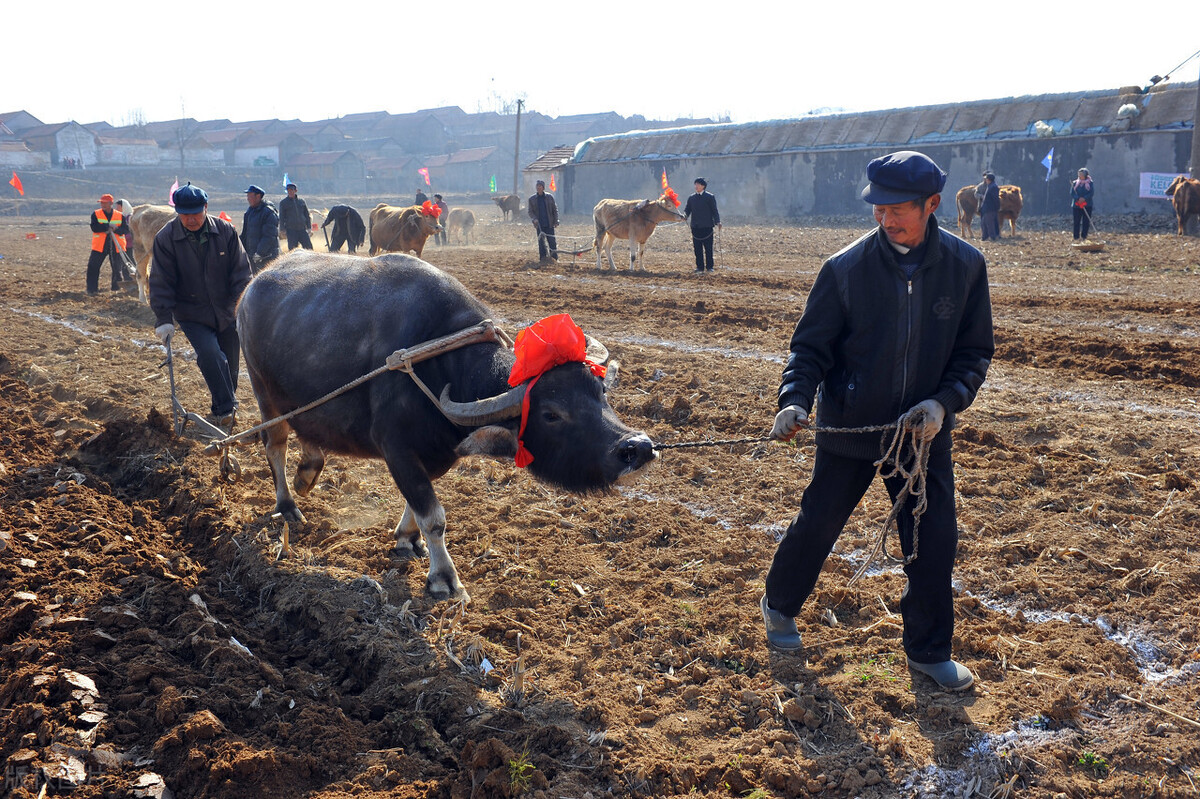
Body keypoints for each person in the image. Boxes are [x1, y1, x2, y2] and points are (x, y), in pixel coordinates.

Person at [763, 150, 994, 693]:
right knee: (819, 523)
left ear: (932, 204)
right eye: (878, 209)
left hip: (920, 435)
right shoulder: (845, 269)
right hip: (851, 428)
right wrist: (794, 399)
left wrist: (945, 402)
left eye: (898, 210)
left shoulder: (964, 268)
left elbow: (974, 351)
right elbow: (809, 349)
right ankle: (779, 605)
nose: (886, 220)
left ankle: (930, 651)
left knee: (933, 540)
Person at [149, 183, 252, 431]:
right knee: (210, 355)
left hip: (228, 310)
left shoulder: (225, 231)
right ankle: (227, 409)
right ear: (177, 212)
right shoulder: (166, 239)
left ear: (205, 208)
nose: (191, 219)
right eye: (184, 214)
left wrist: (244, 308)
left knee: (231, 366)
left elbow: (241, 274)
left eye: (195, 213)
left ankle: (221, 409)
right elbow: (161, 280)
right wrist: (164, 318)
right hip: (192, 312)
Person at [85, 193, 131, 295]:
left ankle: (116, 289)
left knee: (116, 269)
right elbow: (94, 227)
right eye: (101, 203)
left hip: (116, 245)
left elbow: (126, 230)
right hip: (100, 246)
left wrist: (116, 229)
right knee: (93, 267)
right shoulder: (96, 214)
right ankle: (91, 290)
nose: (103, 205)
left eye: (105, 203)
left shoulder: (119, 215)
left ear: (111, 203)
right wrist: (107, 226)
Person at [683, 178, 721, 272]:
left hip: (707, 227)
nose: (696, 186)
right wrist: (684, 216)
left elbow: (714, 210)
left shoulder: (710, 197)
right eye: (695, 184)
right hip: (695, 227)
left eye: (698, 184)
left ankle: (709, 267)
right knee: (697, 249)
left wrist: (718, 221)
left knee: (708, 248)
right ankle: (699, 267)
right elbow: (687, 210)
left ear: (703, 186)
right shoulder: (691, 198)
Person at [240, 184, 279, 271]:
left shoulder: (268, 212)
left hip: (267, 257)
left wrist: (260, 253)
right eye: (247, 196)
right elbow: (245, 234)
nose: (248, 198)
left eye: (250, 196)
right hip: (253, 256)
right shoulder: (250, 211)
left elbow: (269, 236)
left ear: (258, 196)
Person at [527, 179, 559, 262]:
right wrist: (534, 219)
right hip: (539, 224)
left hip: (549, 223)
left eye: (540, 186)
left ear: (543, 187)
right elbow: (530, 211)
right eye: (537, 186)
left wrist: (556, 221)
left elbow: (554, 210)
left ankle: (554, 258)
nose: (538, 188)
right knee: (541, 243)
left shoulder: (549, 197)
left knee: (552, 242)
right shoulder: (532, 199)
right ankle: (543, 259)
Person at [278, 182, 313, 251]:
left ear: (295, 191)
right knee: (293, 250)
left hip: (302, 229)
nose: (290, 192)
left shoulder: (301, 201)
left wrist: (309, 227)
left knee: (309, 248)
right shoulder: (283, 203)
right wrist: (282, 229)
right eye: (288, 190)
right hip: (291, 231)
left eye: (291, 190)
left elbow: (306, 215)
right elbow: (281, 217)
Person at [975, 172, 1000, 241]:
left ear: (989, 179)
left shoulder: (993, 187)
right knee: (984, 223)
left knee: (989, 223)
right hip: (986, 208)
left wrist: (996, 207)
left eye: (986, 179)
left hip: (990, 208)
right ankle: (985, 237)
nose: (985, 180)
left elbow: (995, 198)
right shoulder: (987, 186)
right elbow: (976, 194)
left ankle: (992, 237)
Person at [1071, 168, 1094, 240]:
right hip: (1077, 205)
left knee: (1086, 221)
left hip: (1087, 205)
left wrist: (1084, 198)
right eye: (1079, 174)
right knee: (1076, 221)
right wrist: (1078, 198)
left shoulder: (1090, 183)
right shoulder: (1075, 183)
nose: (1079, 176)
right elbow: (1072, 193)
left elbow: (1091, 193)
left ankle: (1084, 236)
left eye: (1081, 174)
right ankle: (1076, 237)